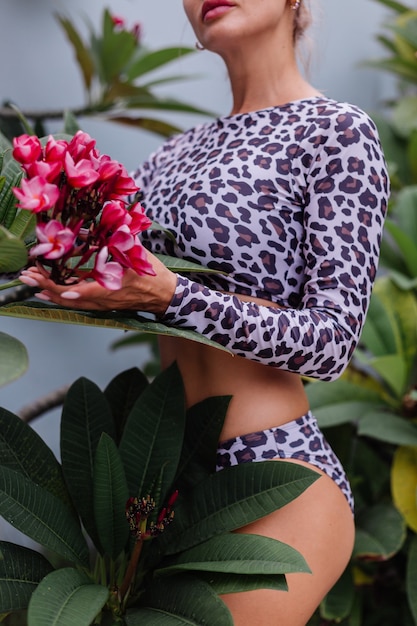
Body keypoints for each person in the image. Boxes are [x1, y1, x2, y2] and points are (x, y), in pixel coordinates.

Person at [20, 0, 389, 623]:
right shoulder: (170, 155)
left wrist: (173, 296)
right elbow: (124, 282)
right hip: (164, 476)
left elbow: (332, 342)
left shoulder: (336, 131)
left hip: (272, 474)